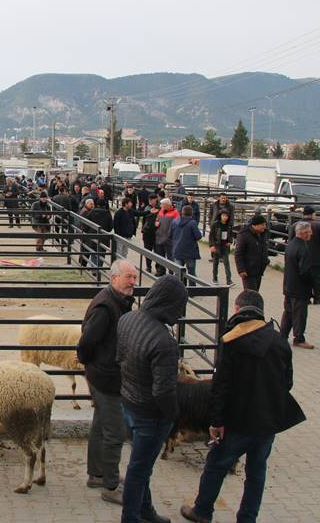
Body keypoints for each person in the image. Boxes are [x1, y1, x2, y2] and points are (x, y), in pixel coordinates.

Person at [180, 290, 305, 523]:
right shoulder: (280, 341)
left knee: (216, 466)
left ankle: (202, 511)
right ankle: (247, 518)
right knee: (256, 473)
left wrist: (215, 422)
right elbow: (287, 382)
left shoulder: (231, 341)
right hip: (267, 422)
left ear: (237, 310)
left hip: (236, 422)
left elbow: (220, 388)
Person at [116, 275, 188, 523]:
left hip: (129, 402)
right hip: (151, 415)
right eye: (179, 307)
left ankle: (145, 511)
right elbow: (163, 390)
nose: (180, 314)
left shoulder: (127, 319)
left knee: (141, 463)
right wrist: (174, 415)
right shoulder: (164, 342)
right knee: (139, 469)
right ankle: (131, 517)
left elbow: (120, 359)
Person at [77, 260, 137, 506]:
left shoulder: (116, 302)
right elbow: (86, 341)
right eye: (128, 277)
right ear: (114, 279)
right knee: (115, 432)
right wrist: (92, 364)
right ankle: (111, 485)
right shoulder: (106, 307)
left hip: (104, 373)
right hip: (106, 377)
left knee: (101, 425)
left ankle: (97, 474)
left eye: (134, 277)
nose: (132, 282)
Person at [280, 221, 314, 349]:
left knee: (288, 311)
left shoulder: (291, 244)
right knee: (299, 314)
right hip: (299, 287)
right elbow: (305, 271)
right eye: (309, 231)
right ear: (304, 233)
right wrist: (312, 286)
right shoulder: (303, 248)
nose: (311, 233)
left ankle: (283, 335)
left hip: (288, 284)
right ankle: (299, 338)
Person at [289, 206, 320, 305]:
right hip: (315, 257)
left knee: (302, 276)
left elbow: (290, 241)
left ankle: (306, 297)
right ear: (313, 214)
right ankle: (317, 298)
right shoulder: (319, 226)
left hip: (299, 257)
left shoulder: (295, 225)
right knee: (316, 278)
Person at [234, 214, 269, 291]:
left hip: (259, 270)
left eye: (265, 224)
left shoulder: (262, 234)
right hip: (248, 271)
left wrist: (266, 261)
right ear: (255, 225)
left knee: (255, 292)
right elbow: (238, 253)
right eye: (262, 225)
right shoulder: (244, 235)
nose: (264, 227)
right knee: (250, 293)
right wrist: (241, 270)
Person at [171, 204, 203, 279]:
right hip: (190, 252)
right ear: (191, 213)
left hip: (177, 250)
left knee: (178, 273)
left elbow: (170, 234)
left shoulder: (175, 221)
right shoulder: (192, 223)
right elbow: (198, 236)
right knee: (191, 274)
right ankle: (192, 289)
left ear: (182, 212)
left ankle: (178, 289)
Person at [154, 198, 179, 276]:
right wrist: (156, 223)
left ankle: (171, 273)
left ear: (167, 205)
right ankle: (161, 271)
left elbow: (177, 225)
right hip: (159, 237)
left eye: (162, 204)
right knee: (160, 256)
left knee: (170, 257)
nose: (161, 206)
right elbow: (157, 219)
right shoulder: (161, 211)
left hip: (169, 239)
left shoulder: (175, 213)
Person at [208, 210, 233, 285]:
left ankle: (229, 280)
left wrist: (230, 241)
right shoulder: (215, 224)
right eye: (223, 216)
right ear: (220, 216)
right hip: (216, 245)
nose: (225, 217)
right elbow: (211, 235)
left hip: (225, 246)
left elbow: (231, 234)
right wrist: (211, 245)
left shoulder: (229, 225)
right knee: (215, 263)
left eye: (226, 216)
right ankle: (215, 278)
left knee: (226, 263)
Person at [140, 194, 160, 274]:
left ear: (156, 199)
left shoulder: (160, 208)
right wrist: (143, 228)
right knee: (147, 250)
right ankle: (148, 266)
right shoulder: (147, 207)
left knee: (157, 251)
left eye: (152, 200)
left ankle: (158, 268)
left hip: (157, 232)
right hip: (147, 232)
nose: (151, 201)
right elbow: (144, 218)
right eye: (150, 200)